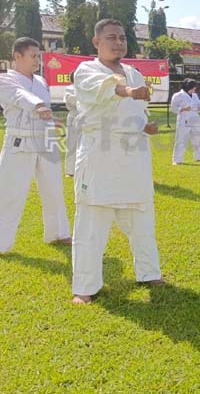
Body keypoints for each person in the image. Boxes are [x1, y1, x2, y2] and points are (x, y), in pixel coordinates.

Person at [71, 19, 163, 304]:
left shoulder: (134, 72)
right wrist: (129, 92)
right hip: (100, 152)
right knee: (91, 223)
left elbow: (137, 110)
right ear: (96, 42)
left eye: (122, 37)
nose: (119, 42)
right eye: (111, 37)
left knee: (142, 216)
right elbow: (106, 89)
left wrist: (145, 125)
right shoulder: (86, 70)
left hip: (134, 154)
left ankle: (149, 272)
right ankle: (84, 287)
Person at [0, 37, 72, 253]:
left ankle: (58, 233)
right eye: (33, 56)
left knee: (54, 190)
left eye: (38, 56)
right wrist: (38, 105)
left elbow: (47, 109)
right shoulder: (5, 79)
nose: (37, 61)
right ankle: (2, 242)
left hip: (45, 139)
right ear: (17, 56)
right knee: (9, 193)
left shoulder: (41, 81)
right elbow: (18, 95)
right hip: (19, 140)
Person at [170, 78, 200, 165]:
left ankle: (198, 156)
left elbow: (199, 105)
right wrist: (183, 109)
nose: (194, 89)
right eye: (193, 87)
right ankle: (177, 159)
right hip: (184, 119)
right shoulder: (178, 95)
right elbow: (173, 108)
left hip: (195, 119)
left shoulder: (195, 95)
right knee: (181, 139)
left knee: (196, 139)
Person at [64, 72, 80, 177]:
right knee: (72, 144)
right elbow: (73, 101)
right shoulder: (69, 89)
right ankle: (70, 171)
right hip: (74, 116)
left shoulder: (86, 88)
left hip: (87, 117)